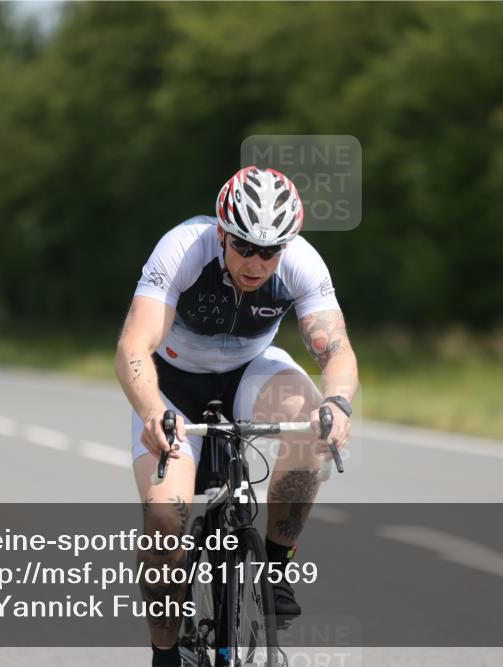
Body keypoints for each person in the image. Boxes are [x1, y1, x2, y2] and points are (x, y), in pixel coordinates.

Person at [115, 166, 358, 667]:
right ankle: (165, 653)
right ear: (223, 233)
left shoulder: (302, 263)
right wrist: (153, 411)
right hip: (174, 384)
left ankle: (275, 566)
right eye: (244, 246)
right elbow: (134, 346)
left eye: (270, 251)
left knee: (312, 423)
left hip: (251, 371)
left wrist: (337, 403)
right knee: (164, 520)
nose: (256, 262)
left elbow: (336, 351)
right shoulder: (183, 248)